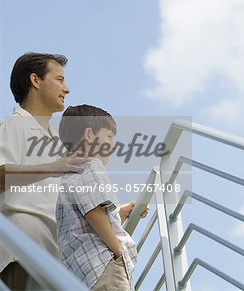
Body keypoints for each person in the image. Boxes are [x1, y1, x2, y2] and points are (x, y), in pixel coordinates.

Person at [0, 52, 91, 290]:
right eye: (60, 79)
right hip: (23, 252)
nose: (67, 89)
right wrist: (52, 168)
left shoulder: (57, 144)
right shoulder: (15, 124)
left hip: (56, 261)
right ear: (35, 80)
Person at [56, 104, 141, 290]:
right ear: (89, 135)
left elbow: (83, 219)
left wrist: (120, 214)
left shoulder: (65, 176)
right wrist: (118, 251)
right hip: (104, 263)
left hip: (82, 273)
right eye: (109, 136)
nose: (113, 143)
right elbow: (93, 212)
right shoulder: (91, 165)